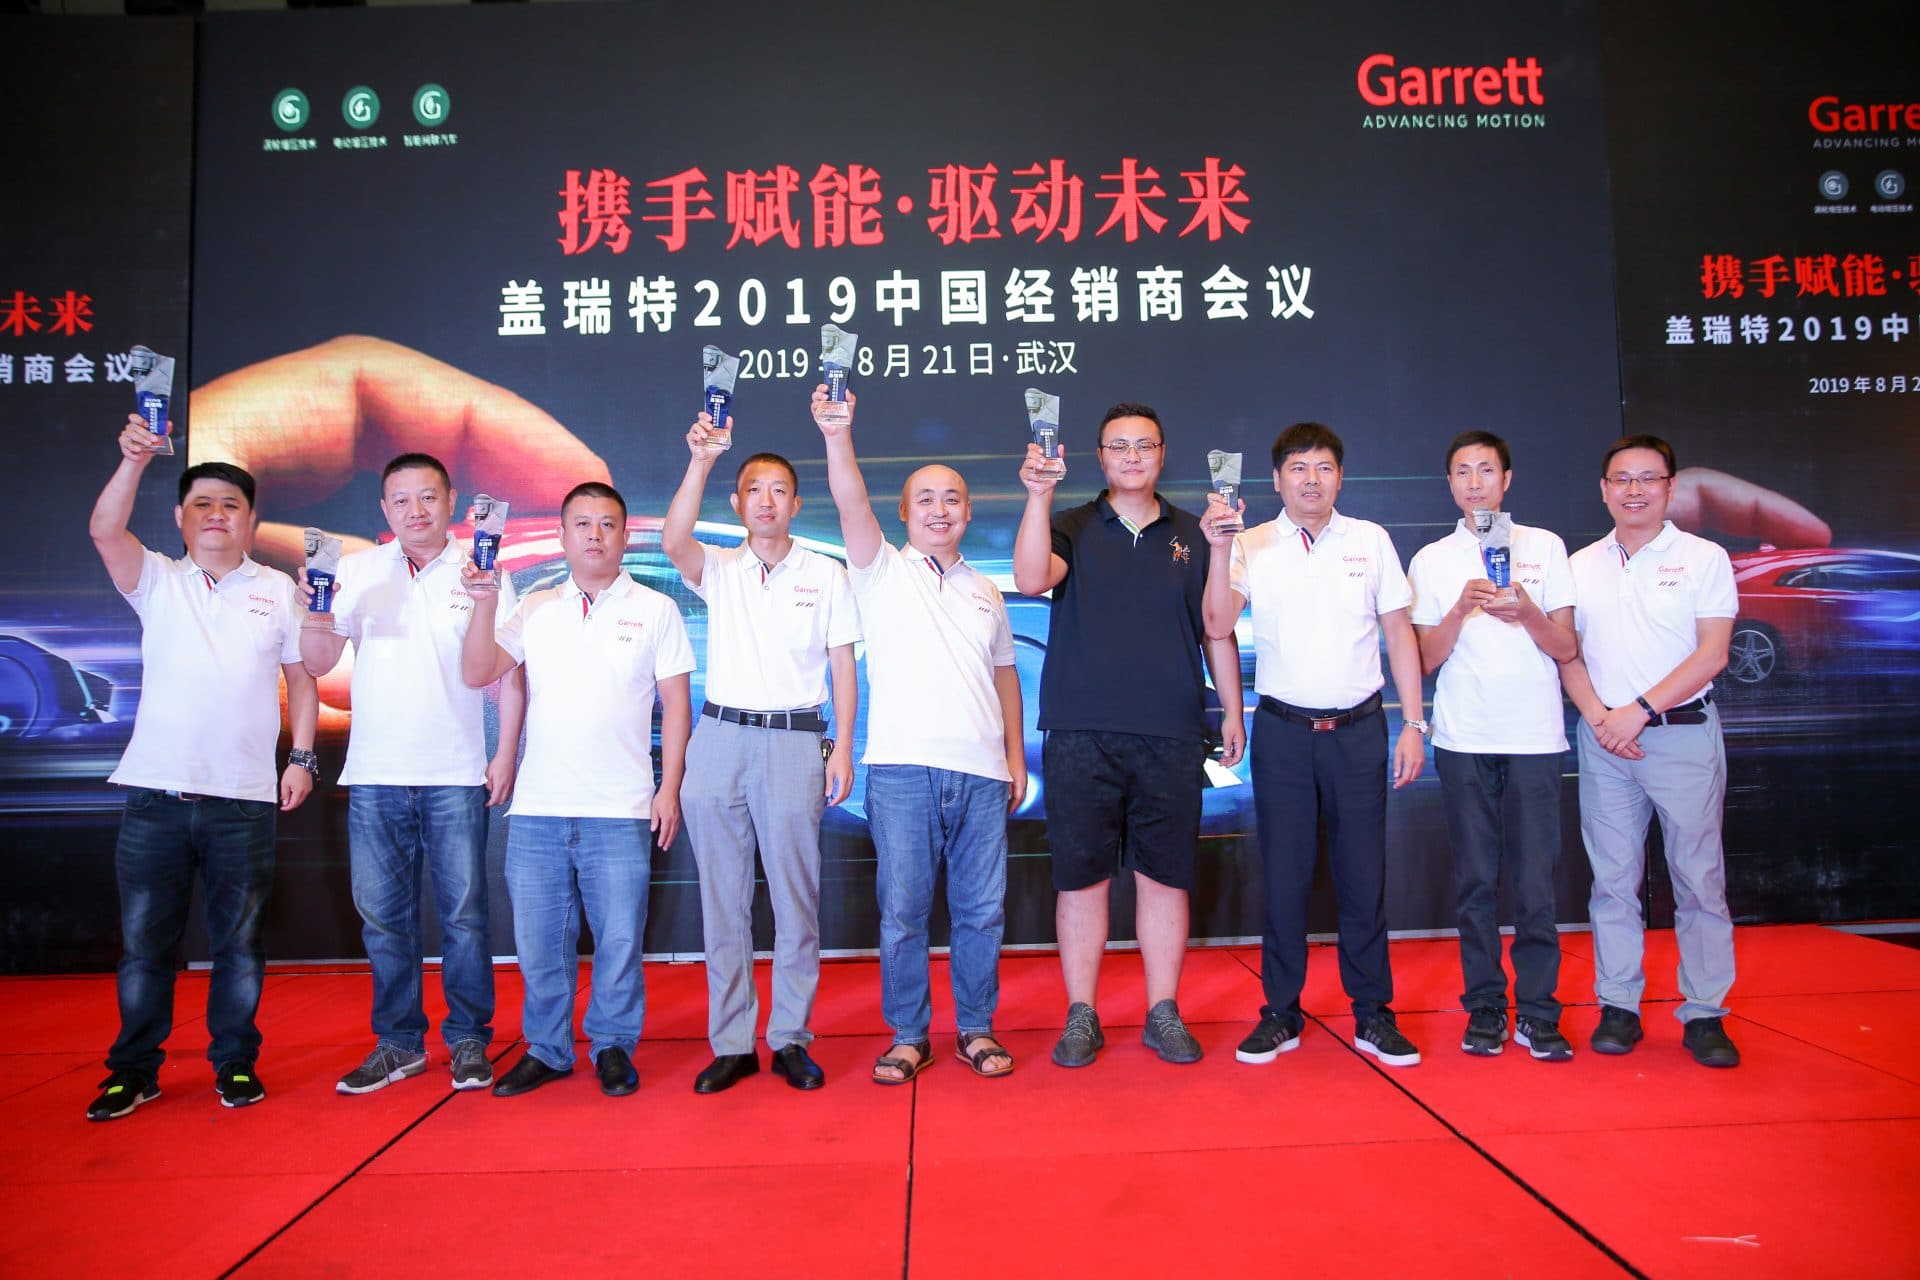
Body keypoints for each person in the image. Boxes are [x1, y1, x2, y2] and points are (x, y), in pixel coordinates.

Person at [85, 416, 318, 1120]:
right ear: (180, 518)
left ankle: (236, 1063)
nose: (217, 515)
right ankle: (133, 1070)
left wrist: (302, 757)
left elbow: (303, 678)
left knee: (239, 946)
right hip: (155, 797)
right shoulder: (157, 578)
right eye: (202, 505)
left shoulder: (279, 590)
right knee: (144, 946)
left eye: (231, 505)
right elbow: (104, 531)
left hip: (242, 800)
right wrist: (133, 460)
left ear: (252, 521)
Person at [1012, 403, 1245, 1068]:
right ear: (1100, 457)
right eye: (1119, 446)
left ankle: (1162, 1010)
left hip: (1170, 729)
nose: (1133, 456)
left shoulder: (1195, 533)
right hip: (1080, 729)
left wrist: (1232, 709)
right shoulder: (1070, 525)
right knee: (1081, 879)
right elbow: (1031, 579)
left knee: (1164, 877)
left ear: (1163, 454)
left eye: (1145, 445)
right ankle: (1081, 1013)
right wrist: (1038, 494)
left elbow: (1217, 627)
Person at [811, 385, 1025, 1084]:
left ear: (969, 512)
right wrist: (837, 434)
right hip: (902, 771)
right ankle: (908, 1034)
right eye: (925, 499)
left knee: (981, 912)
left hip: (982, 777)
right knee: (902, 912)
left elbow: (1005, 679)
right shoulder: (880, 571)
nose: (940, 509)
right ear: (904, 513)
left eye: (952, 499)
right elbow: (851, 502)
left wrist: (1014, 760)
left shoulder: (986, 590)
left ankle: (976, 1028)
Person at [1202, 422, 1428, 1069]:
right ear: (1276, 480)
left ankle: (1373, 1012)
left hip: (1359, 731)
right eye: (1298, 468)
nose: (1311, 479)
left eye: (1323, 467)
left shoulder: (1370, 540)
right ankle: (1281, 1011)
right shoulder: (1250, 543)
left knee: (1363, 875)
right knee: (1284, 876)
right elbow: (1216, 622)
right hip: (1283, 734)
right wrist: (1218, 549)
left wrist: (1415, 723)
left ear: (1341, 477)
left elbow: (1398, 632)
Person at [299, 453, 526, 1095]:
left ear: (451, 501)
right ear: (384, 509)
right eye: (401, 500)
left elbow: (509, 672)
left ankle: (468, 1040)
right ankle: (398, 1043)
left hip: (456, 770)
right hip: (375, 773)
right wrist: (314, 608)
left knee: (464, 916)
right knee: (382, 917)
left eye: (428, 497)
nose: (415, 511)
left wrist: (505, 754)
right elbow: (316, 662)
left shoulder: (482, 569)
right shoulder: (354, 570)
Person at [460, 482, 694, 1097]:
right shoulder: (536, 606)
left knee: (619, 939)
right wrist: (483, 602)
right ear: (562, 535)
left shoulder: (655, 609)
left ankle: (613, 1045)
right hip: (539, 808)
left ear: (625, 536)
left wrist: (669, 788)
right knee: (540, 944)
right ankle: (547, 1049)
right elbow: (478, 671)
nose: (594, 534)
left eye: (607, 524)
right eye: (582, 524)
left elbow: (676, 705)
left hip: (621, 807)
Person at [661, 416, 859, 1094]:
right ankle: (732, 1042)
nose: (766, 500)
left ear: (796, 504)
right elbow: (672, 539)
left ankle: (791, 1037)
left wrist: (842, 748)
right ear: (737, 503)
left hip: (796, 740)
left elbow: (842, 665)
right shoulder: (719, 568)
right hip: (718, 739)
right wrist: (700, 459)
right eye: (753, 490)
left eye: (778, 490)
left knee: (797, 899)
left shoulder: (826, 573)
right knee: (723, 900)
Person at [1558, 435, 1741, 1068]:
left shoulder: (1704, 558)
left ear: (1670, 488)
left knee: (1698, 880)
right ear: (1604, 489)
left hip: (1681, 735)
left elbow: (1712, 654)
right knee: (1612, 881)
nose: (1634, 490)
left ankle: (1705, 1012)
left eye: (1647, 478)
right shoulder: (1579, 564)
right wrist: (1600, 718)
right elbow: (1567, 653)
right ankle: (1619, 1005)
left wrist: (1637, 711)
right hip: (1605, 741)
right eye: (1621, 479)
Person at [1407, 431, 1577, 1061]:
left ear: (1507, 480)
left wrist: (1527, 611)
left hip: (1534, 737)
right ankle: (1484, 1007)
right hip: (1464, 738)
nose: (1475, 482)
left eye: (1486, 470)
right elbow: (1423, 660)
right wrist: (1460, 611)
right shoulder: (1431, 559)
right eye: (1463, 471)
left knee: (1535, 884)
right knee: (1475, 881)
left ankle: (1538, 1011)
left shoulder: (1545, 546)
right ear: (1450, 483)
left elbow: (1566, 647)